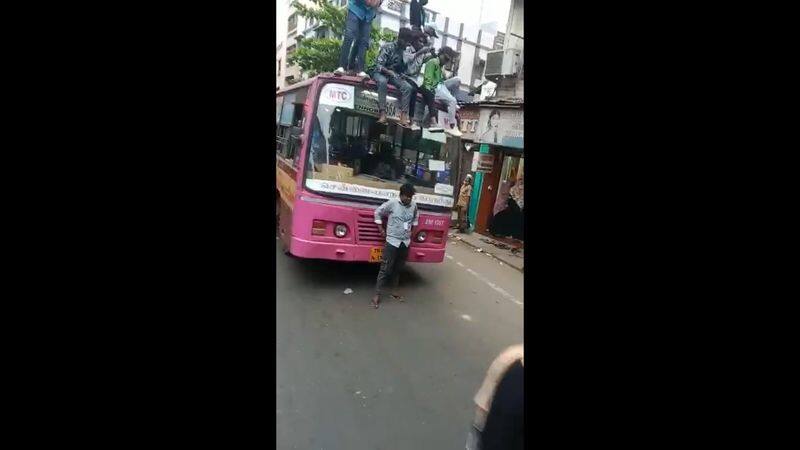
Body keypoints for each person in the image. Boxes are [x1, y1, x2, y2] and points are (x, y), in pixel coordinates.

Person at [372, 183, 419, 308]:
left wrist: (412, 233)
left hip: (405, 242)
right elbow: (377, 212)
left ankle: (394, 291)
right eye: (407, 197)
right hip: (392, 241)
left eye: (411, 197)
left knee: (398, 268)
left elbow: (415, 220)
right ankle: (377, 295)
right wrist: (381, 229)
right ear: (401, 195)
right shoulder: (392, 203)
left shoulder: (414, 206)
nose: (409, 199)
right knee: (385, 269)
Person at [372, 28, 415, 126]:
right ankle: (382, 113)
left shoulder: (404, 52)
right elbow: (378, 65)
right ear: (401, 39)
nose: (407, 45)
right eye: (407, 43)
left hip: (394, 75)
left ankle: (403, 116)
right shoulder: (388, 47)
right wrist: (388, 71)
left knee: (408, 87)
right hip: (381, 73)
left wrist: (403, 73)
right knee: (382, 82)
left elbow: (402, 69)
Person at [420, 46, 462, 136]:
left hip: (440, 86)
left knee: (457, 81)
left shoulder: (440, 66)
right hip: (434, 88)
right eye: (446, 58)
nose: (446, 62)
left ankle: (452, 106)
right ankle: (452, 126)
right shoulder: (433, 62)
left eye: (448, 60)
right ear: (441, 54)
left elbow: (442, 80)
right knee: (452, 101)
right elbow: (428, 80)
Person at [334, 0, 382, 78]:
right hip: (355, 8)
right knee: (349, 35)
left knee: (364, 41)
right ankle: (342, 67)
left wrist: (378, 2)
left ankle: (360, 70)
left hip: (368, 14)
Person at [403, 29, 438, 129]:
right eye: (420, 41)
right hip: (404, 77)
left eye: (423, 42)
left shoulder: (422, 54)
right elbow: (406, 60)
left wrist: (433, 53)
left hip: (414, 81)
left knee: (429, 91)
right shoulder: (408, 49)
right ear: (414, 41)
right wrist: (419, 52)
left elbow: (429, 58)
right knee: (412, 89)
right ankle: (411, 119)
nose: (422, 44)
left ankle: (433, 121)